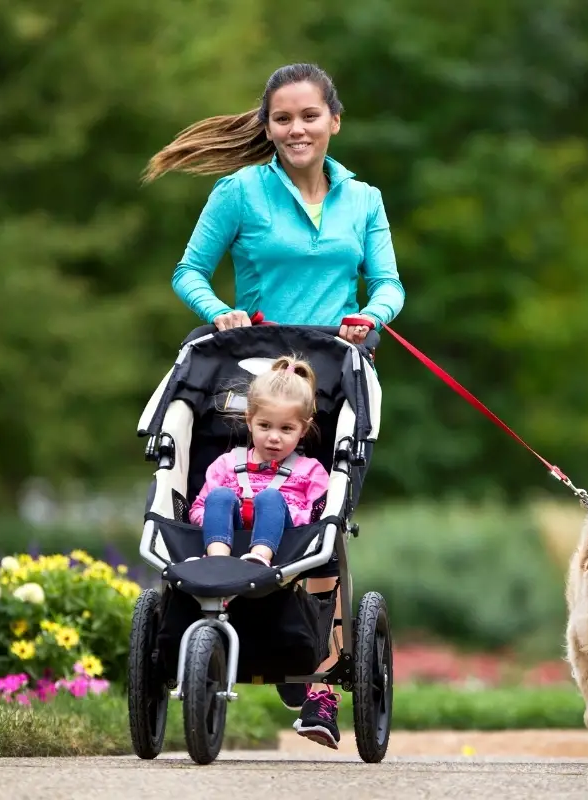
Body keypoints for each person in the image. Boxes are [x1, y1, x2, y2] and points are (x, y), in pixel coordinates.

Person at [143, 62, 405, 750]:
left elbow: (388, 284)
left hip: (337, 376)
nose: (297, 129)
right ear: (268, 125)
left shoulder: (364, 199)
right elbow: (188, 272)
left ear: (333, 121)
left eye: (309, 116)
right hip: (252, 386)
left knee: (327, 522)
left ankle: (318, 687)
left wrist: (369, 318)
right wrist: (220, 312)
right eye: (283, 118)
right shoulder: (240, 193)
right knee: (237, 491)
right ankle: (231, 625)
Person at [186, 356, 330, 568]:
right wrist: (213, 517)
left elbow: (320, 518)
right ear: (249, 420)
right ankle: (216, 559)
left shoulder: (311, 471)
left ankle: (260, 556)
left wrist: (281, 514)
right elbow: (197, 509)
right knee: (219, 496)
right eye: (265, 425)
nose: (274, 437)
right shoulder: (226, 464)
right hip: (230, 540)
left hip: (286, 546)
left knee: (271, 499)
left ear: (304, 429)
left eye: (286, 429)